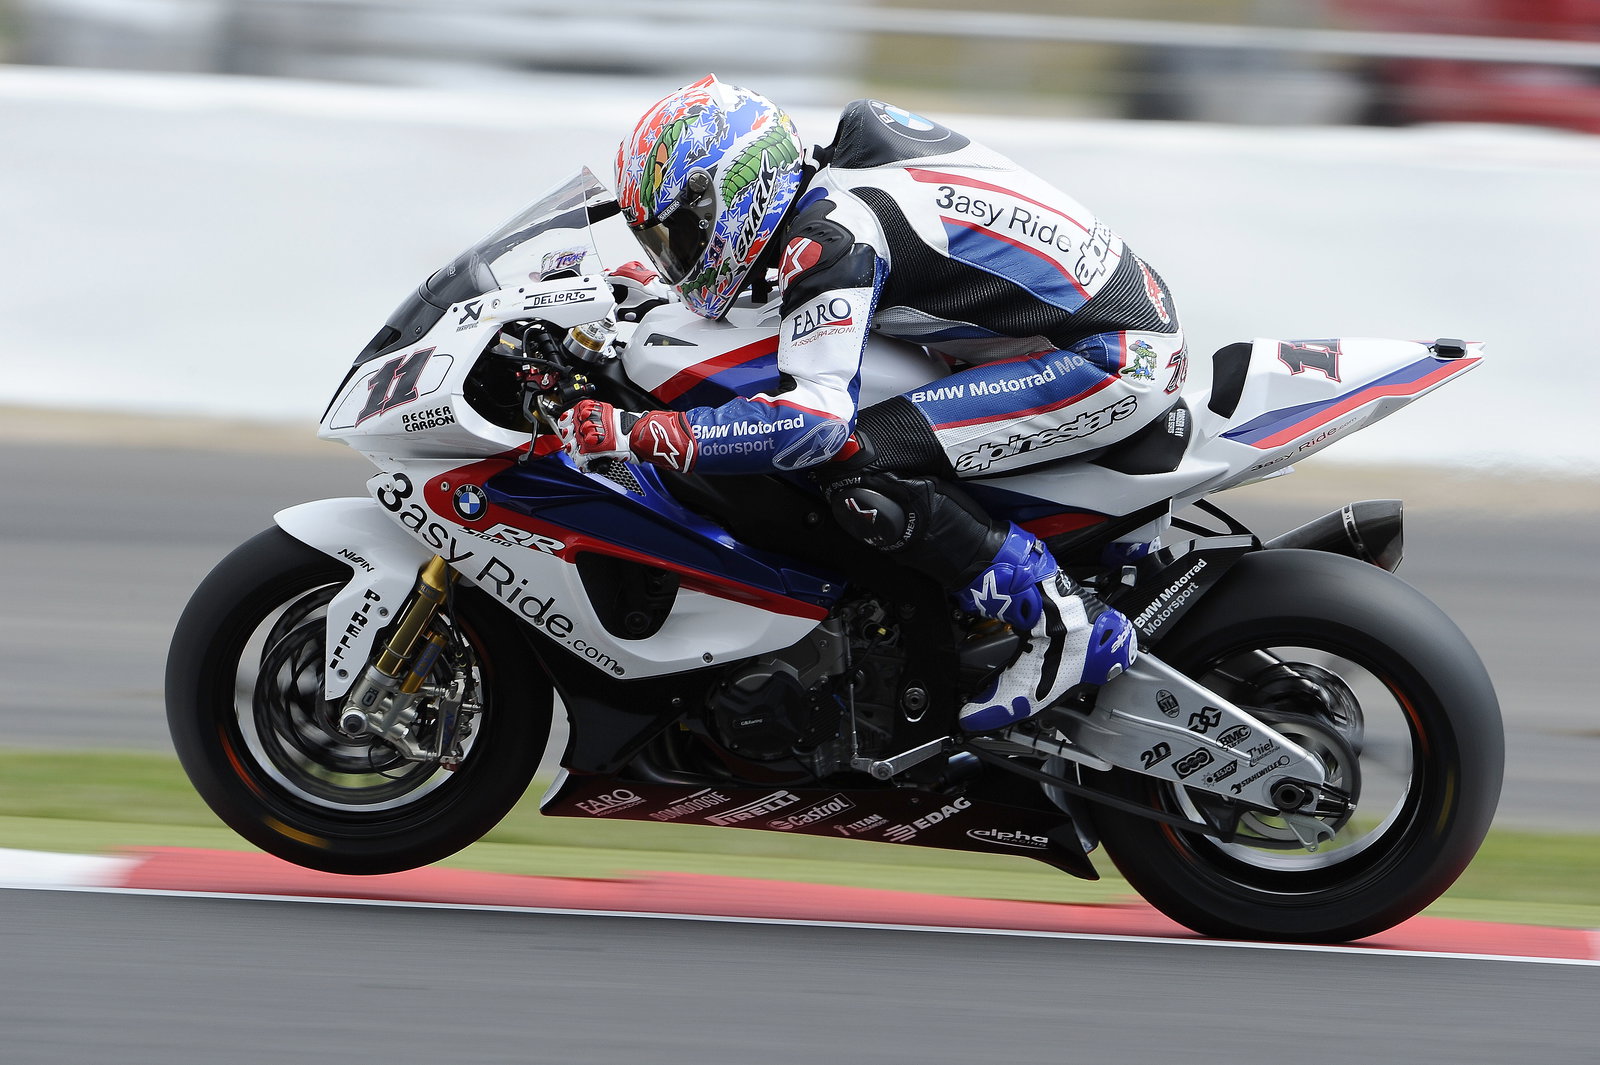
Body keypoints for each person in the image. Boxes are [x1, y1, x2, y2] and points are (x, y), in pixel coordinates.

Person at [559, 76, 1186, 733]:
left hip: (1111, 359)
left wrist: (639, 432)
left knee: (856, 461)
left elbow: (816, 422)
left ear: (736, 188)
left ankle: (1065, 626)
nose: (677, 256)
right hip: (1108, 322)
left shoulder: (832, 236)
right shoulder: (842, 180)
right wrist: (649, 298)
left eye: (683, 235)